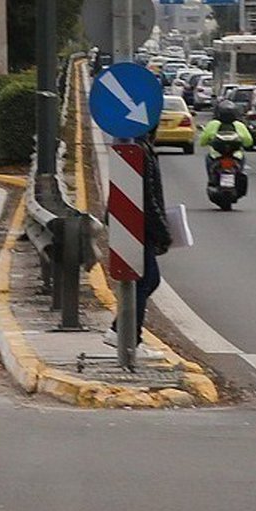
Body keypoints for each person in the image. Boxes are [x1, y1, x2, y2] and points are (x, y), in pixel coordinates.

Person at [104, 125, 173, 350]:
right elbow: (148, 198)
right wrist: (163, 232)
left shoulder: (136, 147)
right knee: (145, 280)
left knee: (145, 280)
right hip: (137, 227)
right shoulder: (139, 151)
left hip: (134, 224)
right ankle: (128, 337)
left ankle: (121, 332)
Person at [199, 99, 253, 175]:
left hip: (216, 155)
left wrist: (207, 142)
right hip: (236, 155)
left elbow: (202, 141)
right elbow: (248, 141)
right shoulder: (239, 125)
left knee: (208, 159)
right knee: (242, 162)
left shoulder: (213, 124)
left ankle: (212, 180)